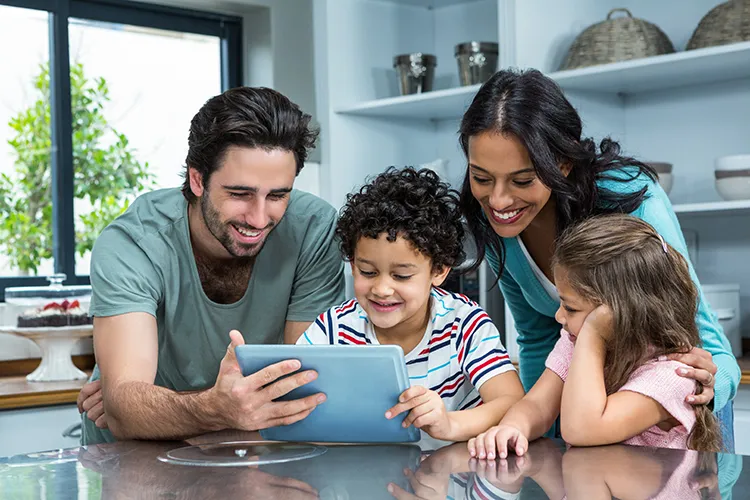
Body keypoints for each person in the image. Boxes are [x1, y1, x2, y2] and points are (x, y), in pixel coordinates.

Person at [458, 68, 739, 447]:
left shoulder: (630, 197)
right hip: (589, 425)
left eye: (522, 180)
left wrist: (703, 394)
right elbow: (537, 339)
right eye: (481, 177)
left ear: (563, 164)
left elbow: (698, 333)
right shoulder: (495, 225)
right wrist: (529, 433)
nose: (498, 200)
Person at [77, 86, 345, 445]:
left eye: (278, 195)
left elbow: (303, 390)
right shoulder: (133, 242)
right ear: (197, 179)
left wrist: (159, 404)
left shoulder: (313, 228)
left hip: (248, 453)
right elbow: (125, 411)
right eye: (240, 194)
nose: (260, 217)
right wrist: (215, 409)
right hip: (136, 462)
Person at [297, 167, 525, 442]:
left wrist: (449, 424)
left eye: (401, 275)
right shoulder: (334, 329)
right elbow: (294, 398)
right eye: (367, 272)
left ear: (439, 270)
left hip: (453, 476)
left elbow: (511, 401)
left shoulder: (463, 324)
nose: (381, 290)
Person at [468, 215, 723, 460]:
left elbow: (582, 429)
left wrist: (593, 333)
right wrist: (513, 427)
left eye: (570, 308)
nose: (558, 316)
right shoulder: (574, 342)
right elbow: (537, 404)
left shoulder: (672, 376)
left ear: (618, 313)